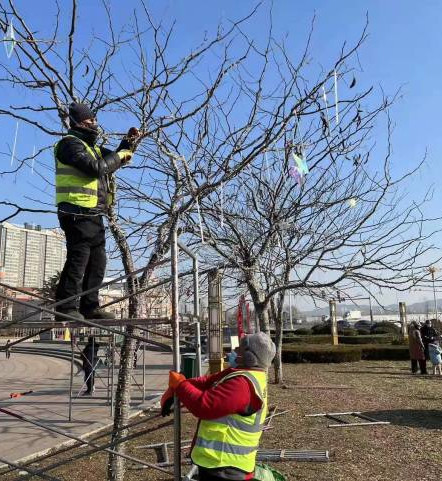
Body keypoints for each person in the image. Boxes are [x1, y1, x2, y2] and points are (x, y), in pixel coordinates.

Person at [54, 102, 139, 320]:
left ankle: (90, 307)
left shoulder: (93, 148)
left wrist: (129, 142)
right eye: (89, 120)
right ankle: (65, 308)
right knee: (79, 258)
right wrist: (120, 156)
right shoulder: (69, 144)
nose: (94, 124)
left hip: (92, 212)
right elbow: (96, 168)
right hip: (75, 210)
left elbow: (118, 157)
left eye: (94, 120)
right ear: (76, 122)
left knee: (97, 261)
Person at [160, 332, 276, 481]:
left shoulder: (242, 384)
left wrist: (181, 386)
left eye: (240, 348)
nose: (234, 350)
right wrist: (181, 386)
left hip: (225, 466)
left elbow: (204, 406)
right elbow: (208, 381)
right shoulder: (244, 374)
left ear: (249, 357)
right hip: (220, 463)